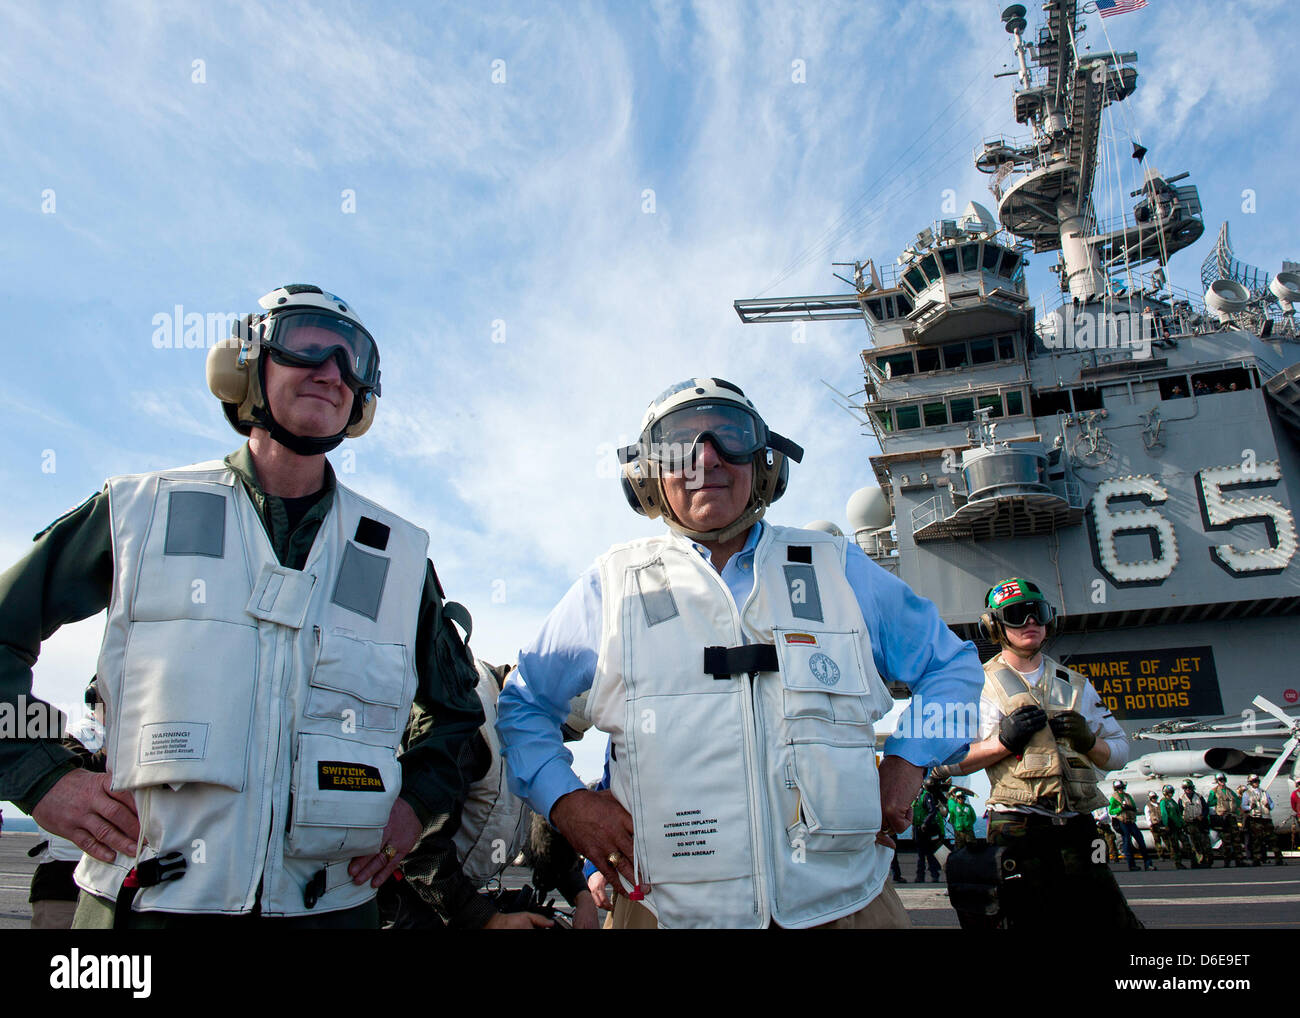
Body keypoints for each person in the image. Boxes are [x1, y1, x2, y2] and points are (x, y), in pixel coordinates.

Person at [0, 284, 485, 927]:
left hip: (332, 910)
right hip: (145, 906)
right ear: (245, 367)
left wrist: (416, 803)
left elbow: (455, 715)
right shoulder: (141, 513)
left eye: (352, 359)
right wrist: (40, 777)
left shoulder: (395, 557)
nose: (331, 372)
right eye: (306, 344)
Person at [496, 378, 984, 929]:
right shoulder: (612, 586)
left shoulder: (835, 567)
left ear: (765, 462)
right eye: (680, 443)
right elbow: (523, 705)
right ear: (648, 475)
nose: (708, 457)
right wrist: (567, 804)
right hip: (665, 912)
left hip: (847, 904)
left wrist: (908, 761)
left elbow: (955, 668)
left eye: (730, 435)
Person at [935, 578, 1142, 929]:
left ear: (1049, 621)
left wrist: (1088, 742)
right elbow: (944, 760)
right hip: (1017, 828)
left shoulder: (1077, 685)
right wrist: (1002, 743)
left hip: (1080, 828)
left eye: (1038, 613)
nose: (1030, 622)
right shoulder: (976, 685)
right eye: (1017, 615)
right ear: (995, 626)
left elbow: (1120, 753)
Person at [381, 661, 600, 929]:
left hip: (455, 898)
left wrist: (581, 895)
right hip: (404, 898)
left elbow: (544, 827)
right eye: (550, 729)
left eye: (565, 736)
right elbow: (421, 841)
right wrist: (487, 919)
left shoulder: (526, 739)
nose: (552, 743)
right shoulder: (470, 720)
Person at [1240, 774, 1286, 867]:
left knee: (1273, 839)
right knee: (1256, 840)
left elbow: (1271, 803)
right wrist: (1249, 807)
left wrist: (1270, 806)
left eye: (1257, 781)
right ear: (1250, 783)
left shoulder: (1264, 792)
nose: (1256, 783)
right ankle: (1257, 859)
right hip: (1255, 818)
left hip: (1266, 818)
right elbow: (1243, 806)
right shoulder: (1246, 794)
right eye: (1254, 781)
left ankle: (1278, 858)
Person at [1108, 780, 1154, 871]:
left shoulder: (1127, 796)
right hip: (1122, 821)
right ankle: (1131, 865)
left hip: (1131, 821)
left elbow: (1133, 806)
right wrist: (1120, 808)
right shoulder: (1114, 798)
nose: (1120, 789)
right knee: (1127, 841)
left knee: (1140, 840)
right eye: (1118, 788)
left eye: (1121, 788)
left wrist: (1131, 808)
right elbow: (1111, 811)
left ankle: (1148, 864)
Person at [1206, 774, 1247, 867]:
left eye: (1223, 779)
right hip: (1222, 817)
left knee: (1236, 839)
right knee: (1226, 840)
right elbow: (1209, 802)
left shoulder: (1230, 791)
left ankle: (1239, 860)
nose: (1222, 781)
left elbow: (1237, 802)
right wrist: (1218, 802)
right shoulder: (1214, 791)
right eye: (1220, 780)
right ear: (1217, 781)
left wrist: (1238, 812)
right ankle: (1227, 861)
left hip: (1232, 816)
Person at [912, 781, 945, 883]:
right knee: (920, 855)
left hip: (927, 829)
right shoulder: (914, 799)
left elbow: (932, 811)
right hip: (918, 829)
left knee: (930, 854)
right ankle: (920, 876)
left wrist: (925, 823)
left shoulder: (926, 796)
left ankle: (934, 875)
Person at [1179, 779, 1212, 868]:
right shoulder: (1182, 799)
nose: (1188, 789)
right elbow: (1180, 812)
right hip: (1189, 824)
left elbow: (1206, 809)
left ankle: (1207, 861)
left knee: (1205, 842)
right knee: (1194, 844)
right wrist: (1183, 824)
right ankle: (1197, 862)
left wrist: (1203, 816)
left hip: (1200, 822)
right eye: (1186, 788)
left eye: (1189, 788)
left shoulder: (1199, 797)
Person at [1158, 785, 1189, 869]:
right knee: (1175, 846)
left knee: (1186, 842)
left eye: (1171, 792)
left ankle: (1194, 861)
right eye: (1169, 792)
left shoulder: (1173, 801)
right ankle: (1178, 863)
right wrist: (1166, 824)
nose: (1170, 794)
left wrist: (1182, 824)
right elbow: (1164, 814)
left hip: (1178, 826)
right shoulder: (1163, 802)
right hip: (1171, 827)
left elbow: (1178, 814)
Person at [1146, 792, 1168, 860]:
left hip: (1161, 823)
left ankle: (1171, 852)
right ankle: (1160, 855)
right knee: (1157, 841)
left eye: (1155, 797)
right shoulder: (1148, 806)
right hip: (1154, 825)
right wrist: (1150, 825)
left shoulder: (1159, 805)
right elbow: (1147, 816)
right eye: (1153, 798)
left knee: (1166, 839)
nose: (1154, 799)